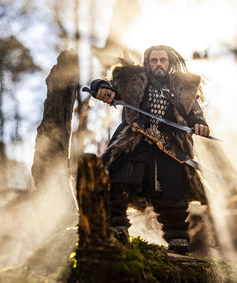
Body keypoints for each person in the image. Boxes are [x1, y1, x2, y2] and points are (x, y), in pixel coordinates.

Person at [89, 45, 210, 253]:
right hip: (135, 141)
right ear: (148, 62)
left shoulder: (183, 86)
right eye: (154, 60)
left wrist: (199, 123)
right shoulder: (132, 79)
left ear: (169, 63)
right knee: (117, 182)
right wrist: (101, 88)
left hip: (170, 148)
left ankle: (178, 238)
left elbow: (195, 113)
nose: (159, 64)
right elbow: (107, 85)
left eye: (163, 60)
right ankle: (117, 227)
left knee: (173, 194)